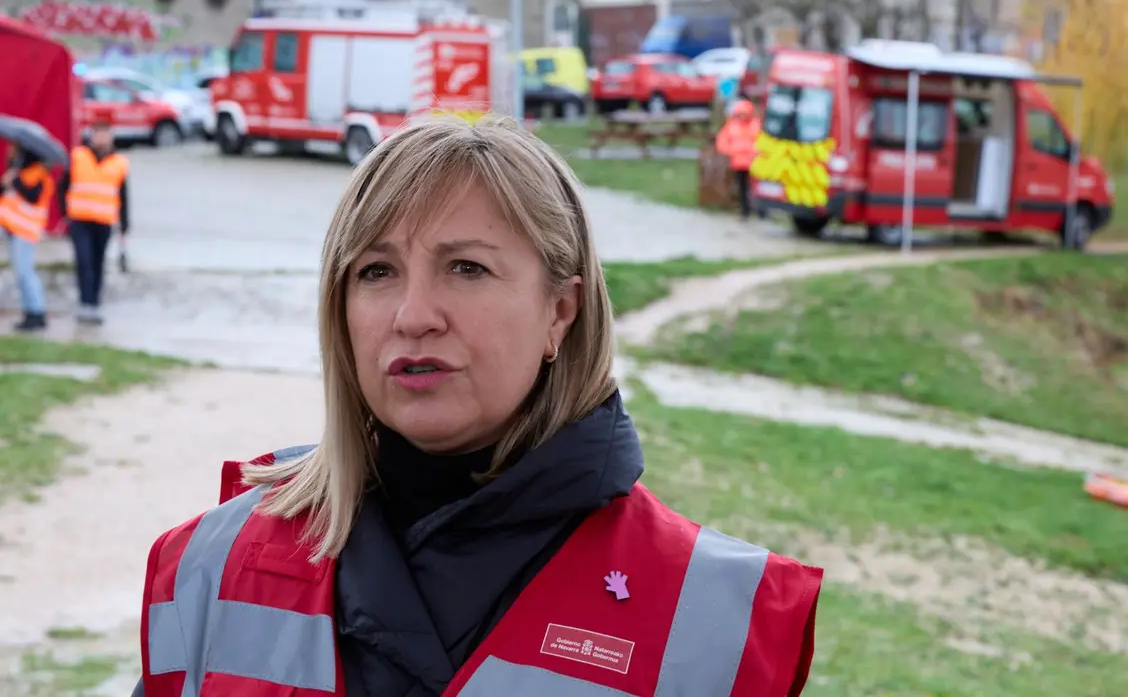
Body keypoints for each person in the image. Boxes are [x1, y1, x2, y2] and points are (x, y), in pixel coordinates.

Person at [131, 115, 823, 697]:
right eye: (376, 271)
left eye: (466, 268)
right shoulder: (209, 564)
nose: (413, 314)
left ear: (560, 310)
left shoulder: (714, 618)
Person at [61, 120, 130, 325]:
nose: (101, 138)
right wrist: (65, 213)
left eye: (105, 134)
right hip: (80, 219)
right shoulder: (78, 157)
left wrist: (125, 225)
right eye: (98, 134)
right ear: (91, 136)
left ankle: (95, 303)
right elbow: (62, 186)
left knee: (98, 262)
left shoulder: (119, 162)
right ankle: (85, 303)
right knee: (84, 261)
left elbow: (123, 196)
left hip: (104, 220)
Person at [0, 146, 54, 332]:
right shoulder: (18, 171)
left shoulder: (39, 173)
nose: (11, 151)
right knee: (21, 272)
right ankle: (30, 312)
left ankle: (36, 312)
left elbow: (32, 196)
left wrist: (14, 181)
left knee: (25, 272)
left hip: (26, 230)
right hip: (11, 227)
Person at [716, 98, 765, 220]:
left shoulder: (756, 125)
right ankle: (745, 211)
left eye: (745, 113)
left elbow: (762, 142)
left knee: (756, 188)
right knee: (742, 188)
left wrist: (756, 152)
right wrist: (730, 151)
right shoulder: (731, 125)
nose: (743, 116)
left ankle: (761, 211)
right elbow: (722, 141)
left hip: (754, 163)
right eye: (741, 113)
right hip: (738, 163)